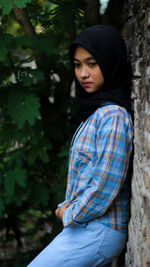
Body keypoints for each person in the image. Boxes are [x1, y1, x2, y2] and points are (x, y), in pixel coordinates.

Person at [27, 24, 133, 267]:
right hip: (85, 226)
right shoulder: (95, 113)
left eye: (92, 64)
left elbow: (105, 186)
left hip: (99, 230)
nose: (83, 73)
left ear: (110, 62)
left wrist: (69, 214)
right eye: (77, 65)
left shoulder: (113, 116)